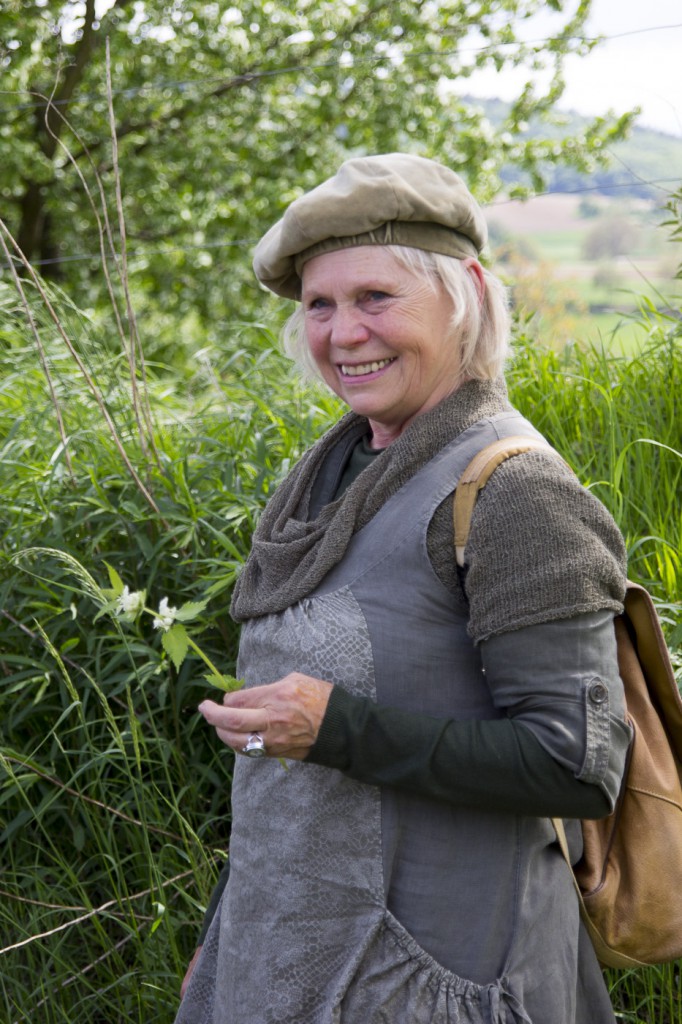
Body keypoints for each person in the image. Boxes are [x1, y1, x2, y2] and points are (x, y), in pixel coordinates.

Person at [175, 153, 632, 1024]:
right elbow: (285, 770)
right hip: (287, 959)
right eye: (320, 305)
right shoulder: (326, 476)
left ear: (462, 294)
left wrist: (339, 729)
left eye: (376, 299)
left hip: (434, 982)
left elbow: (577, 764)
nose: (344, 334)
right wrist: (227, 931)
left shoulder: (512, 492)